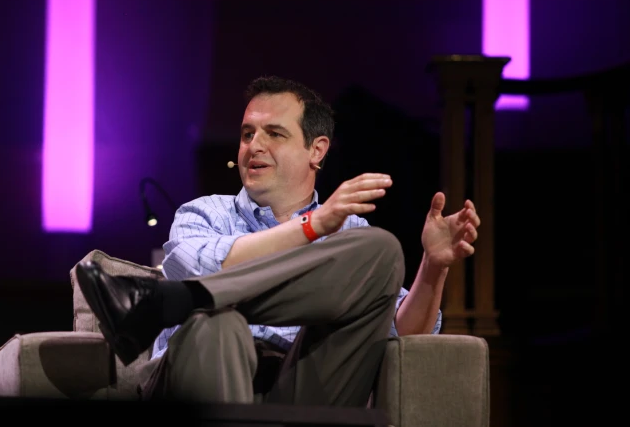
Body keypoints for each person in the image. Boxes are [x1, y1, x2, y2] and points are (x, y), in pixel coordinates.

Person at [76, 75, 481, 407]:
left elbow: (399, 331)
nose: (255, 145)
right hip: (203, 375)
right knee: (218, 323)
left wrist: (434, 265)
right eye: (247, 133)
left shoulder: (351, 233)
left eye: (274, 133)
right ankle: (186, 304)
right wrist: (313, 227)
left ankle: (162, 303)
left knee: (383, 249)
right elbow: (198, 267)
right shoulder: (204, 213)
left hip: (306, 388)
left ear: (316, 151)